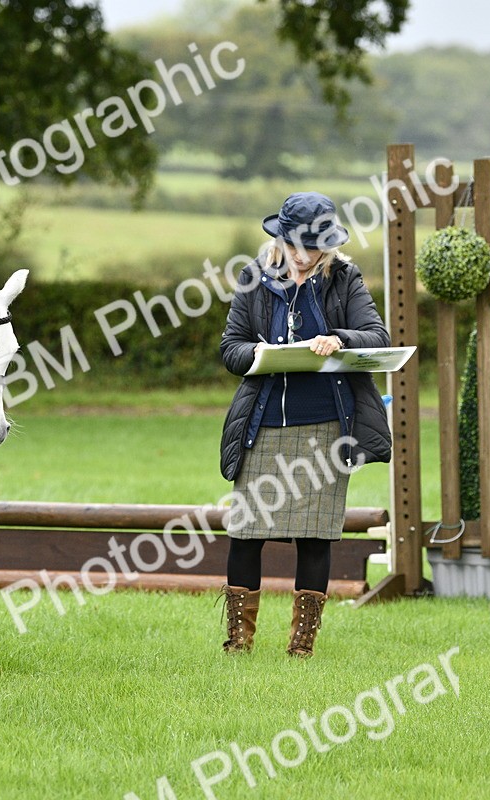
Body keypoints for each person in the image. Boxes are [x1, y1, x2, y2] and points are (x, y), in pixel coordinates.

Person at [217, 192, 391, 657]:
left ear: (327, 246)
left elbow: (378, 337)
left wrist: (339, 339)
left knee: (315, 536)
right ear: (279, 238)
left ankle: (302, 647)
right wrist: (254, 354)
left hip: (326, 426)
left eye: (311, 247)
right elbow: (230, 346)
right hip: (263, 423)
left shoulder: (345, 279)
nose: (301, 255)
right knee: (245, 534)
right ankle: (238, 642)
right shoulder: (253, 279)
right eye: (293, 244)